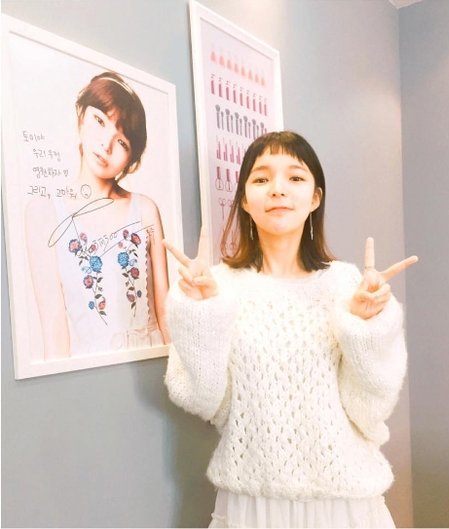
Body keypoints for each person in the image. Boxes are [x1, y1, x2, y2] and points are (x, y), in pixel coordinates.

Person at [163, 131, 418, 528]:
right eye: (262, 178)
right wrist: (201, 313)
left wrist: (365, 326)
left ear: (315, 197)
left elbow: (370, 408)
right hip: (253, 500)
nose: (278, 189)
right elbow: (205, 401)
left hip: (344, 499)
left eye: (295, 177)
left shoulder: (348, 285)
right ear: (244, 200)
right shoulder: (214, 287)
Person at [25, 71, 170, 359]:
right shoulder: (43, 213)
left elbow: (166, 317)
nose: (106, 144)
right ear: (81, 116)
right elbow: (54, 334)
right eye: (100, 121)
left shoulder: (145, 210)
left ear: (131, 159)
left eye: (122, 142)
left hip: (151, 369)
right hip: (91, 375)